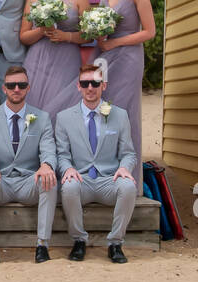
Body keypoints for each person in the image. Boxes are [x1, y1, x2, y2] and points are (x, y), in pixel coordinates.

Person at [55, 63, 138, 264]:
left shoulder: (120, 115)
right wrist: (68, 168)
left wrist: (124, 168)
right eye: (85, 83)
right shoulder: (64, 117)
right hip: (81, 178)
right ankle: (79, 241)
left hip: (109, 179)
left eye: (95, 83)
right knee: (68, 186)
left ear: (104, 85)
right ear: (78, 86)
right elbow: (61, 154)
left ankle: (115, 243)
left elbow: (129, 153)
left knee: (128, 187)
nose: (90, 87)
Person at [0, 64, 58, 263]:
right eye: (11, 85)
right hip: (1, 180)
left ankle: (42, 245)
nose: (16, 89)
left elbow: (48, 149)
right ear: (3, 88)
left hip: (29, 180)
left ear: (28, 88)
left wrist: (47, 164)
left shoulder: (43, 117)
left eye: (21, 85)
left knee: (49, 179)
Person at [96, 0, 157, 186]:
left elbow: (149, 32)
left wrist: (116, 42)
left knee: (123, 111)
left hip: (128, 57)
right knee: (100, 108)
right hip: (103, 53)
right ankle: (102, 170)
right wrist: (98, 34)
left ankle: (127, 174)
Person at [19, 0, 89, 120]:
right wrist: (42, 30)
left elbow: (90, 35)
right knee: (34, 109)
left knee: (64, 110)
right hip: (38, 61)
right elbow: (24, 37)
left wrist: (67, 36)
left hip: (66, 60)